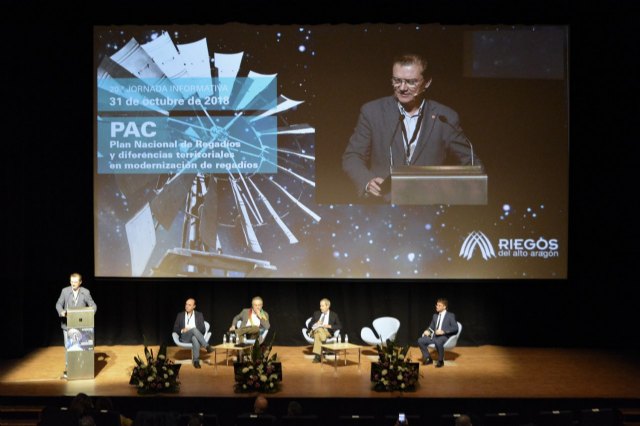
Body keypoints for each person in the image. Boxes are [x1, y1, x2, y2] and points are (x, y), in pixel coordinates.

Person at [342, 53, 478, 199]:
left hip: (429, 204)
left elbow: (471, 163)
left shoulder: (445, 117)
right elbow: (353, 156)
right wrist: (367, 181)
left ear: (427, 82)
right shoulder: (372, 111)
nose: (402, 88)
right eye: (397, 80)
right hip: (383, 203)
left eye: (411, 82)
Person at [55, 273, 97, 378]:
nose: (73, 284)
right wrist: (62, 312)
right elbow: (58, 304)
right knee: (68, 347)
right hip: (68, 325)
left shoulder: (85, 292)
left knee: (81, 347)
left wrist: (90, 314)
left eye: (75, 281)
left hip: (82, 326)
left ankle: (81, 368)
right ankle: (69, 369)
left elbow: (93, 305)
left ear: (80, 282)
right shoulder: (65, 291)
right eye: (71, 281)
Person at [417, 298, 458, 368]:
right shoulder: (435, 316)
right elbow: (431, 327)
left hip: (444, 336)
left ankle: (440, 360)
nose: (437, 306)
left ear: (444, 307)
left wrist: (443, 331)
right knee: (420, 340)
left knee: (438, 341)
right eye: (437, 305)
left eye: (439, 305)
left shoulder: (450, 315)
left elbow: (455, 328)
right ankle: (428, 358)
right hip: (434, 336)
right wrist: (427, 331)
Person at [173, 298, 213, 368]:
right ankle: (206, 346)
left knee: (194, 337)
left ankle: (196, 361)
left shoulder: (199, 315)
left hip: (196, 336)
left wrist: (193, 330)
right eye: (186, 304)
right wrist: (182, 330)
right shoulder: (180, 315)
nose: (187, 306)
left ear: (194, 306)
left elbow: (203, 330)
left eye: (189, 305)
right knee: (194, 329)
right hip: (184, 337)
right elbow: (175, 328)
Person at [308, 298, 342, 363]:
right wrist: (316, 323)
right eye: (320, 306)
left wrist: (329, 326)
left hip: (326, 332)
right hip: (314, 330)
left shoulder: (334, 315)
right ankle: (323, 339)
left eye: (322, 306)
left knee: (318, 334)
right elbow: (310, 324)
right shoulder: (316, 313)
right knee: (319, 328)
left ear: (328, 306)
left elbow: (339, 326)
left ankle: (317, 357)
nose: (320, 307)